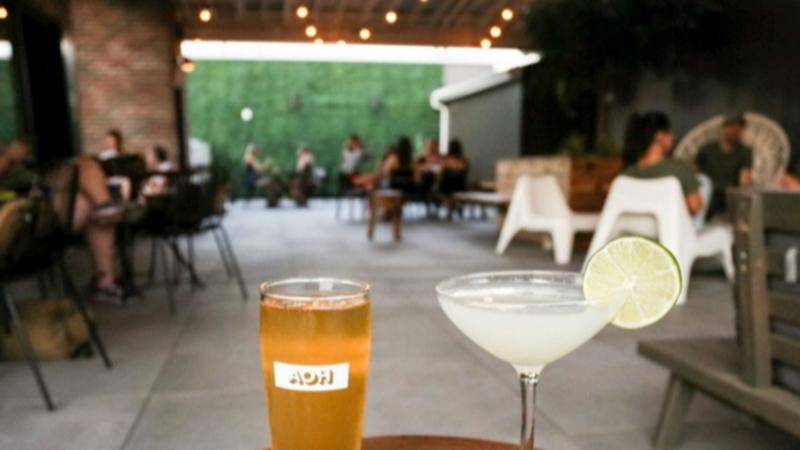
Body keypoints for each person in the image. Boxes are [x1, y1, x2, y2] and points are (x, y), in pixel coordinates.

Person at [0, 138, 126, 303]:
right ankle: (108, 207)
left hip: (32, 213)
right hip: (13, 228)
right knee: (85, 176)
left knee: (88, 198)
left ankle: (104, 283)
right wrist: (9, 156)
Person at [621, 112, 703, 215]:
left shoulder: (626, 174)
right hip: (670, 229)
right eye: (670, 133)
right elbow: (695, 206)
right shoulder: (679, 168)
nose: (673, 137)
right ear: (659, 136)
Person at [695, 113, 753, 219]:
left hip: (729, 197)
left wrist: (743, 198)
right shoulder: (707, 150)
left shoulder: (744, 152)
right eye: (731, 127)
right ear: (724, 127)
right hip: (708, 194)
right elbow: (696, 173)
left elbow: (744, 179)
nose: (735, 131)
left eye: (739, 128)